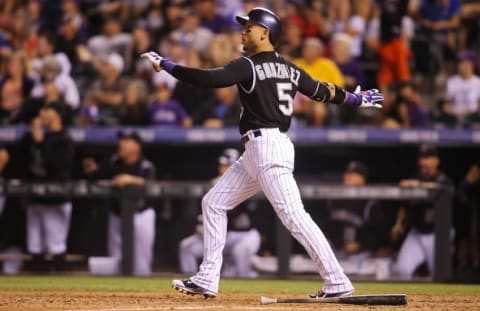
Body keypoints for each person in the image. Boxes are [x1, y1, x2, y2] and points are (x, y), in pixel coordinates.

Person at [142, 7, 383, 298]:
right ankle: (207, 278)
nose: (243, 32)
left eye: (249, 28)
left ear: (265, 33)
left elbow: (208, 79)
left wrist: (167, 65)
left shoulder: (248, 65)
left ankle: (337, 281)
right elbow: (323, 91)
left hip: (268, 146)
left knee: (295, 216)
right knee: (213, 203)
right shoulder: (290, 67)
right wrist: (357, 98)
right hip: (259, 150)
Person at [82, 130, 156, 276]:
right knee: (115, 257)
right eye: (121, 140)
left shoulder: (145, 165)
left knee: (141, 260)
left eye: (127, 141)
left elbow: (150, 183)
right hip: (117, 214)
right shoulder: (114, 161)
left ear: (137, 146)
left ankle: (146, 294)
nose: (121, 144)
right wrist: (91, 170)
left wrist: (130, 179)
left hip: (141, 215)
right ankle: (118, 295)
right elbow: (96, 175)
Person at [179, 148, 261, 278]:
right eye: (222, 165)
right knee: (187, 247)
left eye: (227, 165)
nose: (223, 169)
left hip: (243, 236)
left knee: (239, 253)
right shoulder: (214, 184)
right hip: (222, 236)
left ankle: (250, 280)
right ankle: (194, 281)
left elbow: (235, 212)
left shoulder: (247, 183)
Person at [14, 103, 74, 272]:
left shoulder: (64, 139)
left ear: (57, 115)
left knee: (56, 244)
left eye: (47, 110)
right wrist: (33, 136)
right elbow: (19, 159)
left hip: (55, 199)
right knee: (34, 245)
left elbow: (57, 167)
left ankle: (64, 293)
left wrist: (40, 142)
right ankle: (38, 294)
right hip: (34, 197)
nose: (41, 113)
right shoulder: (34, 135)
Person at [391, 144, 454, 279]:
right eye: (422, 158)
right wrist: (399, 223)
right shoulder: (415, 178)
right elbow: (405, 205)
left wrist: (418, 185)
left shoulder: (443, 179)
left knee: (440, 274)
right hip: (417, 233)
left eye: (428, 157)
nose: (424, 161)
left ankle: (442, 300)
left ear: (436, 161)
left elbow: (445, 188)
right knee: (401, 270)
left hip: (438, 235)